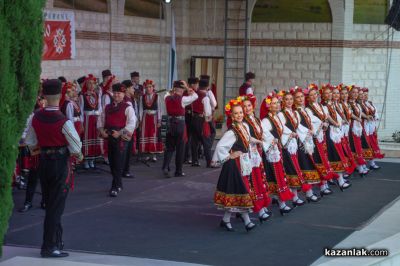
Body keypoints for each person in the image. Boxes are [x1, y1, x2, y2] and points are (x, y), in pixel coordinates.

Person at [25, 79, 83, 258]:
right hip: (59, 163)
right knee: (55, 207)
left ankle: (56, 241)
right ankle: (49, 246)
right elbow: (76, 146)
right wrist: (79, 156)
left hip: (43, 162)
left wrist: (40, 150)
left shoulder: (36, 116)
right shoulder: (63, 121)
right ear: (60, 96)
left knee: (50, 203)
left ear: (44, 95)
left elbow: (30, 142)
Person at [211, 100, 257, 232]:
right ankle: (247, 222)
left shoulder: (245, 126)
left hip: (243, 163)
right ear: (231, 115)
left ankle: (225, 220)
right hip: (233, 165)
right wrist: (229, 156)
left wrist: (259, 141)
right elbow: (220, 146)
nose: (239, 115)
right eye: (236, 113)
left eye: (241, 112)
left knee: (236, 191)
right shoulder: (231, 132)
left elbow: (247, 140)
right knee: (240, 190)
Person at [98, 83, 137, 197]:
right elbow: (101, 120)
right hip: (110, 137)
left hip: (121, 139)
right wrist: (101, 130)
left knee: (118, 163)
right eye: (115, 93)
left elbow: (132, 123)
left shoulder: (128, 107)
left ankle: (114, 186)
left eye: (119, 93)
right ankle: (119, 183)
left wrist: (120, 133)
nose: (116, 95)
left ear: (123, 94)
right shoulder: (108, 107)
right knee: (112, 162)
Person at [278, 90, 316, 206]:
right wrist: (291, 133)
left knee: (294, 169)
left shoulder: (294, 113)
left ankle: (294, 197)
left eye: (291, 99)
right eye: (287, 99)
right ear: (283, 102)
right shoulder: (281, 114)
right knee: (291, 170)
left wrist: (306, 131)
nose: (289, 101)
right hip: (286, 145)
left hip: (293, 144)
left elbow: (298, 126)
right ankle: (289, 199)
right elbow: (281, 128)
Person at [260, 93, 294, 215]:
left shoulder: (277, 118)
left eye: (278, 103)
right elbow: (263, 134)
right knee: (272, 177)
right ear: (268, 106)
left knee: (278, 176)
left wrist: (289, 135)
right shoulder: (265, 120)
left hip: (276, 150)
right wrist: (272, 141)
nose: (277, 105)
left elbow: (282, 131)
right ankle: (269, 205)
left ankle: (279, 202)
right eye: (274, 103)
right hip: (270, 153)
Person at [241, 95, 272, 222]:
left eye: (249, 105)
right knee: (253, 180)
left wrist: (268, 140)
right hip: (248, 154)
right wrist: (259, 141)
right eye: (244, 106)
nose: (247, 108)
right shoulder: (243, 122)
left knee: (259, 179)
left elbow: (262, 133)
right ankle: (258, 210)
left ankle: (262, 207)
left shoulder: (257, 120)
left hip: (257, 153)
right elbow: (247, 138)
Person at [305, 85, 338, 196]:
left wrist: (332, 123)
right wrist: (322, 124)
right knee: (319, 160)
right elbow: (312, 122)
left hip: (322, 136)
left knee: (324, 158)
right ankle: (322, 186)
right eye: (311, 95)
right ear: (308, 97)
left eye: (315, 94)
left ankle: (324, 184)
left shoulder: (321, 106)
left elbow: (326, 117)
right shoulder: (308, 109)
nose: (314, 96)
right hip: (315, 138)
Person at [319, 85, 353, 190]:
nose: (330, 95)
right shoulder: (324, 106)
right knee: (334, 155)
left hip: (335, 132)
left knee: (336, 154)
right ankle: (338, 181)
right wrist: (336, 123)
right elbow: (327, 117)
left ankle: (337, 179)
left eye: (331, 93)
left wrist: (342, 121)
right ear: (323, 96)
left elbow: (337, 116)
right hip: (329, 133)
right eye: (327, 93)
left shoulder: (333, 104)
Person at [293, 87, 324, 202]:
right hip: (301, 142)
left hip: (307, 141)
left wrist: (319, 125)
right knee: (304, 165)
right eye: (298, 97)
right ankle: (307, 193)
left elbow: (313, 120)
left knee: (308, 164)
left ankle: (308, 192)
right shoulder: (296, 112)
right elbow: (296, 126)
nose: (300, 99)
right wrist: (307, 132)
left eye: (301, 96)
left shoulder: (304, 110)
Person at [162, 80, 198, 177]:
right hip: (180, 124)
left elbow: (167, 93)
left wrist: (172, 90)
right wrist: (187, 88)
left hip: (170, 124)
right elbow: (195, 96)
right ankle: (178, 171)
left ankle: (165, 167)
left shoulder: (166, 98)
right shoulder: (183, 99)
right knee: (180, 148)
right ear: (181, 90)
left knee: (169, 148)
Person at [19, 97, 46, 212]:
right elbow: (29, 135)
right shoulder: (34, 116)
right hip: (36, 150)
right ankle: (28, 202)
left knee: (45, 178)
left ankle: (44, 201)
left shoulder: (50, 115)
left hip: (46, 150)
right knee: (33, 177)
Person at [79, 74, 102, 169]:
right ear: (86, 84)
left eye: (93, 83)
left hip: (95, 119)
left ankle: (92, 159)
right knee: (87, 138)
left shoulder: (97, 95)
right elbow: (80, 110)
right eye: (89, 83)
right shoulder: (82, 95)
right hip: (87, 120)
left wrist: (100, 120)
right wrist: (81, 123)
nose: (92, 85)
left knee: (95, 138)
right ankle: (86, 160)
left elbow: (100, 107)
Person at [138, 79, 163, 161]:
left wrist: (159, 120)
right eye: (147, 87)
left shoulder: (157, 96)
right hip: (145, 118)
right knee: (146, 135)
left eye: (150, 87)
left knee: (153, 134)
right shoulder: (142, 97)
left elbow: (159, 109)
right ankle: (147, 153)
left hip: (154, 118)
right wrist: (140, 120)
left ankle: (154, 154)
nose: (148, 89)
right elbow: (141, 109)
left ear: (153, 87)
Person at [190, 79, 213, 167]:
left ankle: (194, 161)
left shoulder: (195, 95)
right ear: (207, 87)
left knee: (194, 141)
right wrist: (209, 118)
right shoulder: (205, 97)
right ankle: (209, 162)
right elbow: (207, 112)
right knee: (206, 141)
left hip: (193, 118)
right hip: (201, 120)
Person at [348, 86, 370, 176]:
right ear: (350, 93)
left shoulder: (356, 103)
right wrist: (357, 118)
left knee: (358, 145)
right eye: (353, 92)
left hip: (357, 126)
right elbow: (350, 113)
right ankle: (359, 166)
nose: (356, 94)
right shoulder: (349, 103)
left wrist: (365, 116)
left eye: (357, 92)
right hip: (352, 127)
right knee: (355, 146)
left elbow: (360, 113)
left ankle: (359, 164)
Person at [360, 88, 384, 168]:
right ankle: (362, 164)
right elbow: (360, 114)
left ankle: (372, 163)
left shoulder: (369, 103)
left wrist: (375, 118)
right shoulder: (360, 104)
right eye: (364, 95)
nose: (366, 96)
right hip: (365, 126)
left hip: (372, 126)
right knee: (366, 145)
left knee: (372, 144)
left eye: (367, 95)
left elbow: (375, 112)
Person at [121, 79, 137, 178]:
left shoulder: (130, 99)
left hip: (128, 128)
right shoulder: (127, 101)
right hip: (127, 128)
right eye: (131, 88)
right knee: (126, 150)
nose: (133, 89)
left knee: (127, 150)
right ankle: (124, 170)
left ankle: (125, 169)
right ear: (126, 89)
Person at [99, 70, 115, 165]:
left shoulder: (112, 93)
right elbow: (103, 106)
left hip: (111, 117)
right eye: (109, 78)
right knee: (106, 136)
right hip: (105, 116)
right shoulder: (102, 89)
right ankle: (105, 155)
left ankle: (110, 155)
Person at [183, 77, 199, 164]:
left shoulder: (195, 93)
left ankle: (193, 157)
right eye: (196, 84)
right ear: (192, 85)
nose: (197, 86)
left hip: (193, 117)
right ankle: (187, 156)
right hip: (187, 116)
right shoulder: (187, 93)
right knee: (188, 137)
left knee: (192, 138)